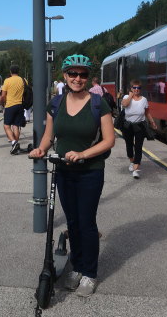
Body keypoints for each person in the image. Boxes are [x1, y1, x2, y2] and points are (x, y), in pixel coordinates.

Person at [29, 54, 115, 298]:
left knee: (87, 222)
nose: (78, 78)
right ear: (64, 76)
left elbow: (110, 140)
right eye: (73, 74)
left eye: (83, 74)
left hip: (90, 172)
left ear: (88, 77)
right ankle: (76, 267)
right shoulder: (56, 103)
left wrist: (84, 154)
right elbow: (49, 135)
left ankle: (89, 272)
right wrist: (41, 149)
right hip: (64, 171)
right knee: (73, 222)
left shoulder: (99, 103)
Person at [121, 80, 156, 179]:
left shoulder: (144, 99)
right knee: (129, 144)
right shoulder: (126, 97)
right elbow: (124, 104)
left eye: (138, 88)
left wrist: (152, 122)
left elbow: (147, 112)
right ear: (131, 88)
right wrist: (130, 96)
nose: (136, 89)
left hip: (140, 125)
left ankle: (136, 168)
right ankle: (132, 161)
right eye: (134, 87)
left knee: (138, 146)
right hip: (128, 125)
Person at [0, 65, 25, 154]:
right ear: (18, 71)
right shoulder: (23, 80)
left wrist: (2, 103)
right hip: (20, 105)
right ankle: (16, 146)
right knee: (16, 126)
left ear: (10, 72)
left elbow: (3, 96)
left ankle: (14, 142)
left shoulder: (7, 80)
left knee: (6, 126)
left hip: (10, 105)